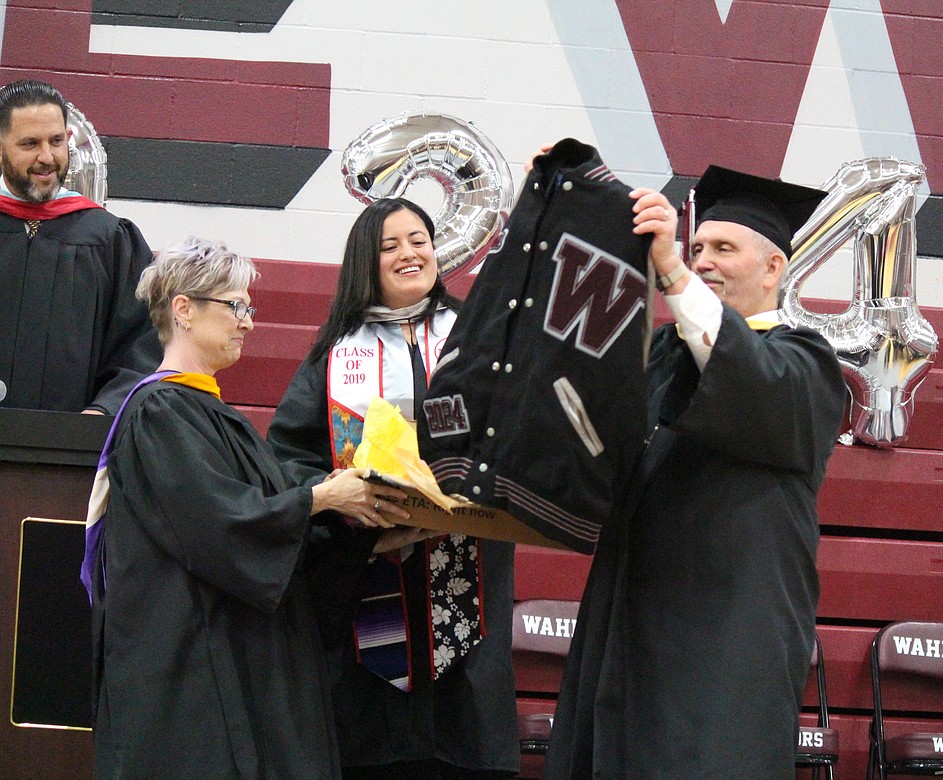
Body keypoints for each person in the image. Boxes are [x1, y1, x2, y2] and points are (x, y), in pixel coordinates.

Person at [543, 165, 849, 778]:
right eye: (698, 247)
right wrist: (563, 203)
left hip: (727, 634)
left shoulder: (808, 363)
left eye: (724, 249)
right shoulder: (661, 354)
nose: (704, 260)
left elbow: (745, 377)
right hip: (633, 619)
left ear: (773, 268)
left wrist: (675, 275)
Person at [85, 236, 402, 779]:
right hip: (191, 674)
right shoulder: (159, 412)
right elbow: (221, 524)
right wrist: (320, 496)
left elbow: (272, 523)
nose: (249, 322)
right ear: (183, 309)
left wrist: (371, 534)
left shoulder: (209, 412)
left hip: (236, 658)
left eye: (248, 308)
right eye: (236, 306)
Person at [267, 198, 519, 780]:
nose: (410, 253)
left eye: (419, 239)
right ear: (366, 263)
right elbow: (287, 457)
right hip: (368, 581)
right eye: (390, 246)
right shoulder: (335, 355)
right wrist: (338, 492)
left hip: (466, 583)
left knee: (462, 748)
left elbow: (521, 434)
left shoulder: (477, 339)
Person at [0, 79, 159, 413]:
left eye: (56, 141)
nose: (47, 157)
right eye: (30, 143)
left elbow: (141, 346)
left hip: (71, 450)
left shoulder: (110, 240)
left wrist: (103, 411)